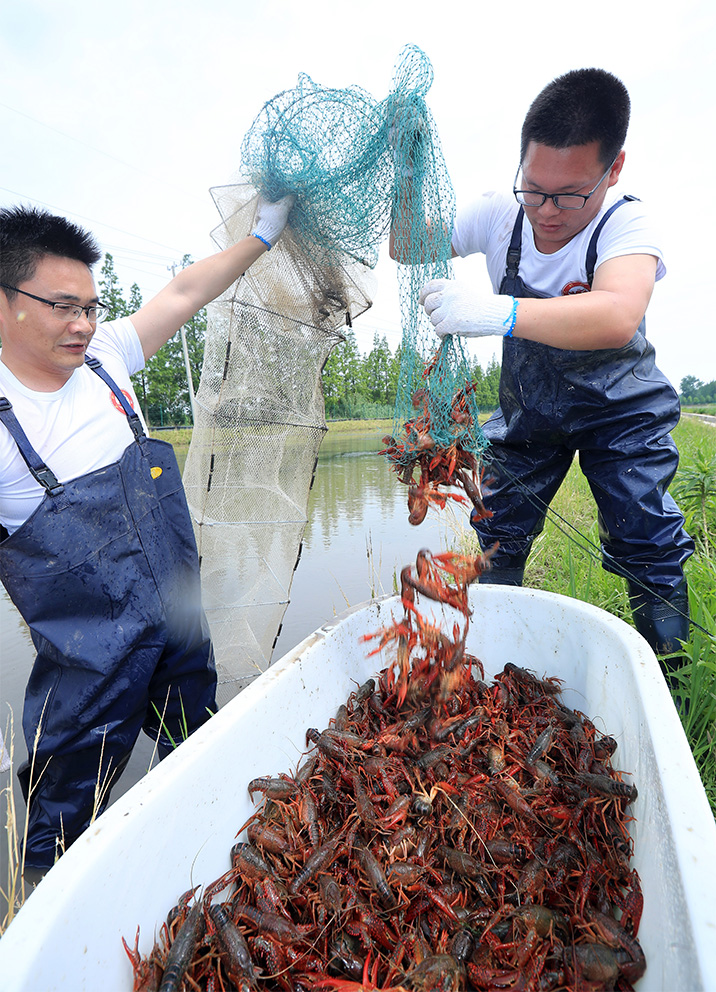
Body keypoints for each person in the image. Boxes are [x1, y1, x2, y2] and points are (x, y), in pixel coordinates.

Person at [0, 194, 293, 869]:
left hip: (179, 634)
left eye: (90, 306)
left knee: (198, 754)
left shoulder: (106, 357)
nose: (81, 324)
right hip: (91, 672)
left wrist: (262, 237)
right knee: (62, 823)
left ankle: (203, 862)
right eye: (61, 306)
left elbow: (188, 288)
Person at [413, 68, 694, 679]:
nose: (546, 210)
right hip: (528, 410)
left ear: (613, 170)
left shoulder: (628, 225)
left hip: (622, 409)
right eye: (533, 189)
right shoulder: (498, 216)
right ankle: (492, 670)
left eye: (568, 196)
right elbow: (405, 245)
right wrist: (407, 173)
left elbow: (618, 314)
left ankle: (670, 681)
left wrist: (496, 312)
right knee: (499, 529)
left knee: (643, 535)